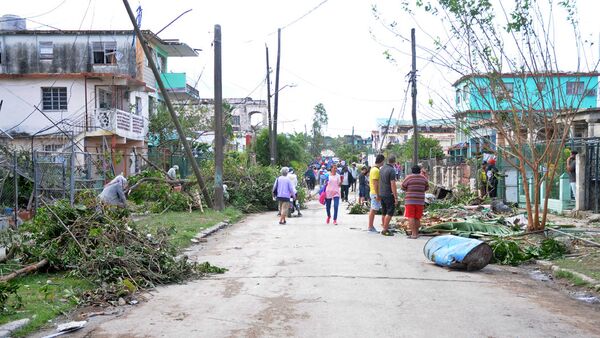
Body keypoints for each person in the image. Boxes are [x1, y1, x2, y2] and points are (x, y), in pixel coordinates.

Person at [401, 165, 429, 239]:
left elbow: (403, 187)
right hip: (420, 201)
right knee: (417, 217)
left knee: (411, 217)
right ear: (419, 171)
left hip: (410, 200)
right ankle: (416, 233)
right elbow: (427, 188)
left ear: (412, 170)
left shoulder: (408, 178)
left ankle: (414, 234)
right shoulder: (424, 178)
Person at [379, 156, 399, 236]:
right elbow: (393, 184)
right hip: (388, 193)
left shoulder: (382, 168)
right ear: (394, 162)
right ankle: (385, 229)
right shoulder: (392, 170)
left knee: (384, 212)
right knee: (390, 212)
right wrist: (396, 197)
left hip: (382, 193)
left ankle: (384, 227)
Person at [367, 154, 385, 232]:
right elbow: (375, 183)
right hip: (375, 193)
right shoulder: (376, 170)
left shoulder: (374, 169)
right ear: (381, 161)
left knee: (373, 209)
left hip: (374, 192)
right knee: (373, 209)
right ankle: (370, 227)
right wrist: (378, 195)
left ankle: (370, 226)